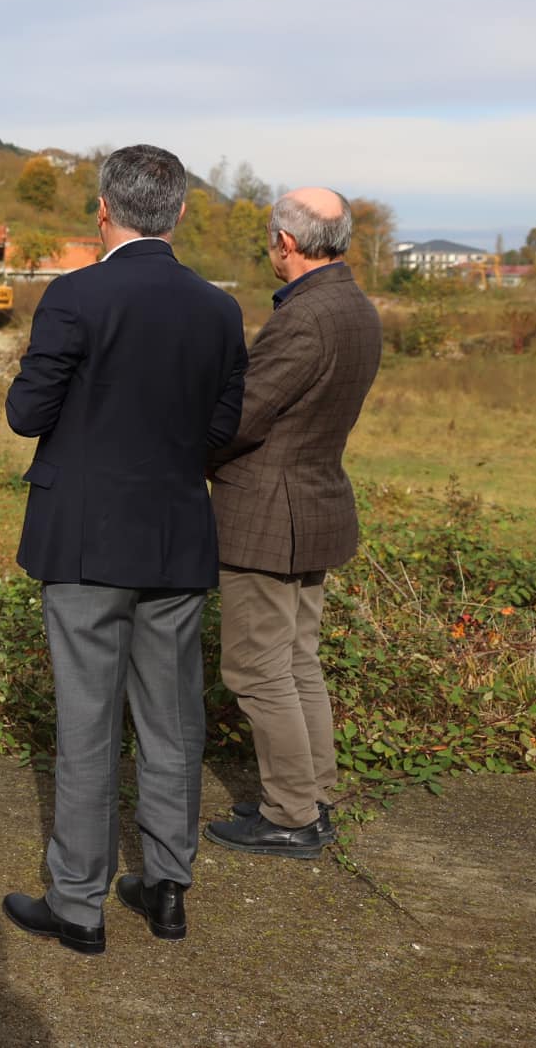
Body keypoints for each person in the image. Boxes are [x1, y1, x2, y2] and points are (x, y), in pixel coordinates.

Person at [0, 145, 247, 955]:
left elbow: (27, 414)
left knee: (89, 721)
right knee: (173, 720)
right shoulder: (218, 310)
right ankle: (168, 887)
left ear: (103, 212)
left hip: (81, 537)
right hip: (176, 537)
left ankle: (78, 903)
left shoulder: (75, 296)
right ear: (178, 213)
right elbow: (220, 429)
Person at [202, 188, 381, 860]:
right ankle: (311, 797)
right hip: (315, 501)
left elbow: (242, 415)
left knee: (257, 669)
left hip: (267, 514)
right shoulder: (355, 307)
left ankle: (289, 814)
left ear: (285, 242)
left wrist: (184, 455)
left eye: (270, 238)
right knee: (297, 660)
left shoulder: (305, 317)